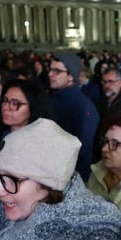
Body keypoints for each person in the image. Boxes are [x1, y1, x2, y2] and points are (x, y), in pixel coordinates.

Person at [0, 78, 52, 234]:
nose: (6, 108)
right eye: (4, 101)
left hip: (26, 232)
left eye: (15, 103)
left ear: (33, 107)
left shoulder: (45, 146)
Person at [47, 52, 99, 182]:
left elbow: (84, 152)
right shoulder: (51, 98)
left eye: (57, 71)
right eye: (50, 69)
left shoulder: (84, 106)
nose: (50, 74)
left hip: (69, 179)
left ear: (71, 76)